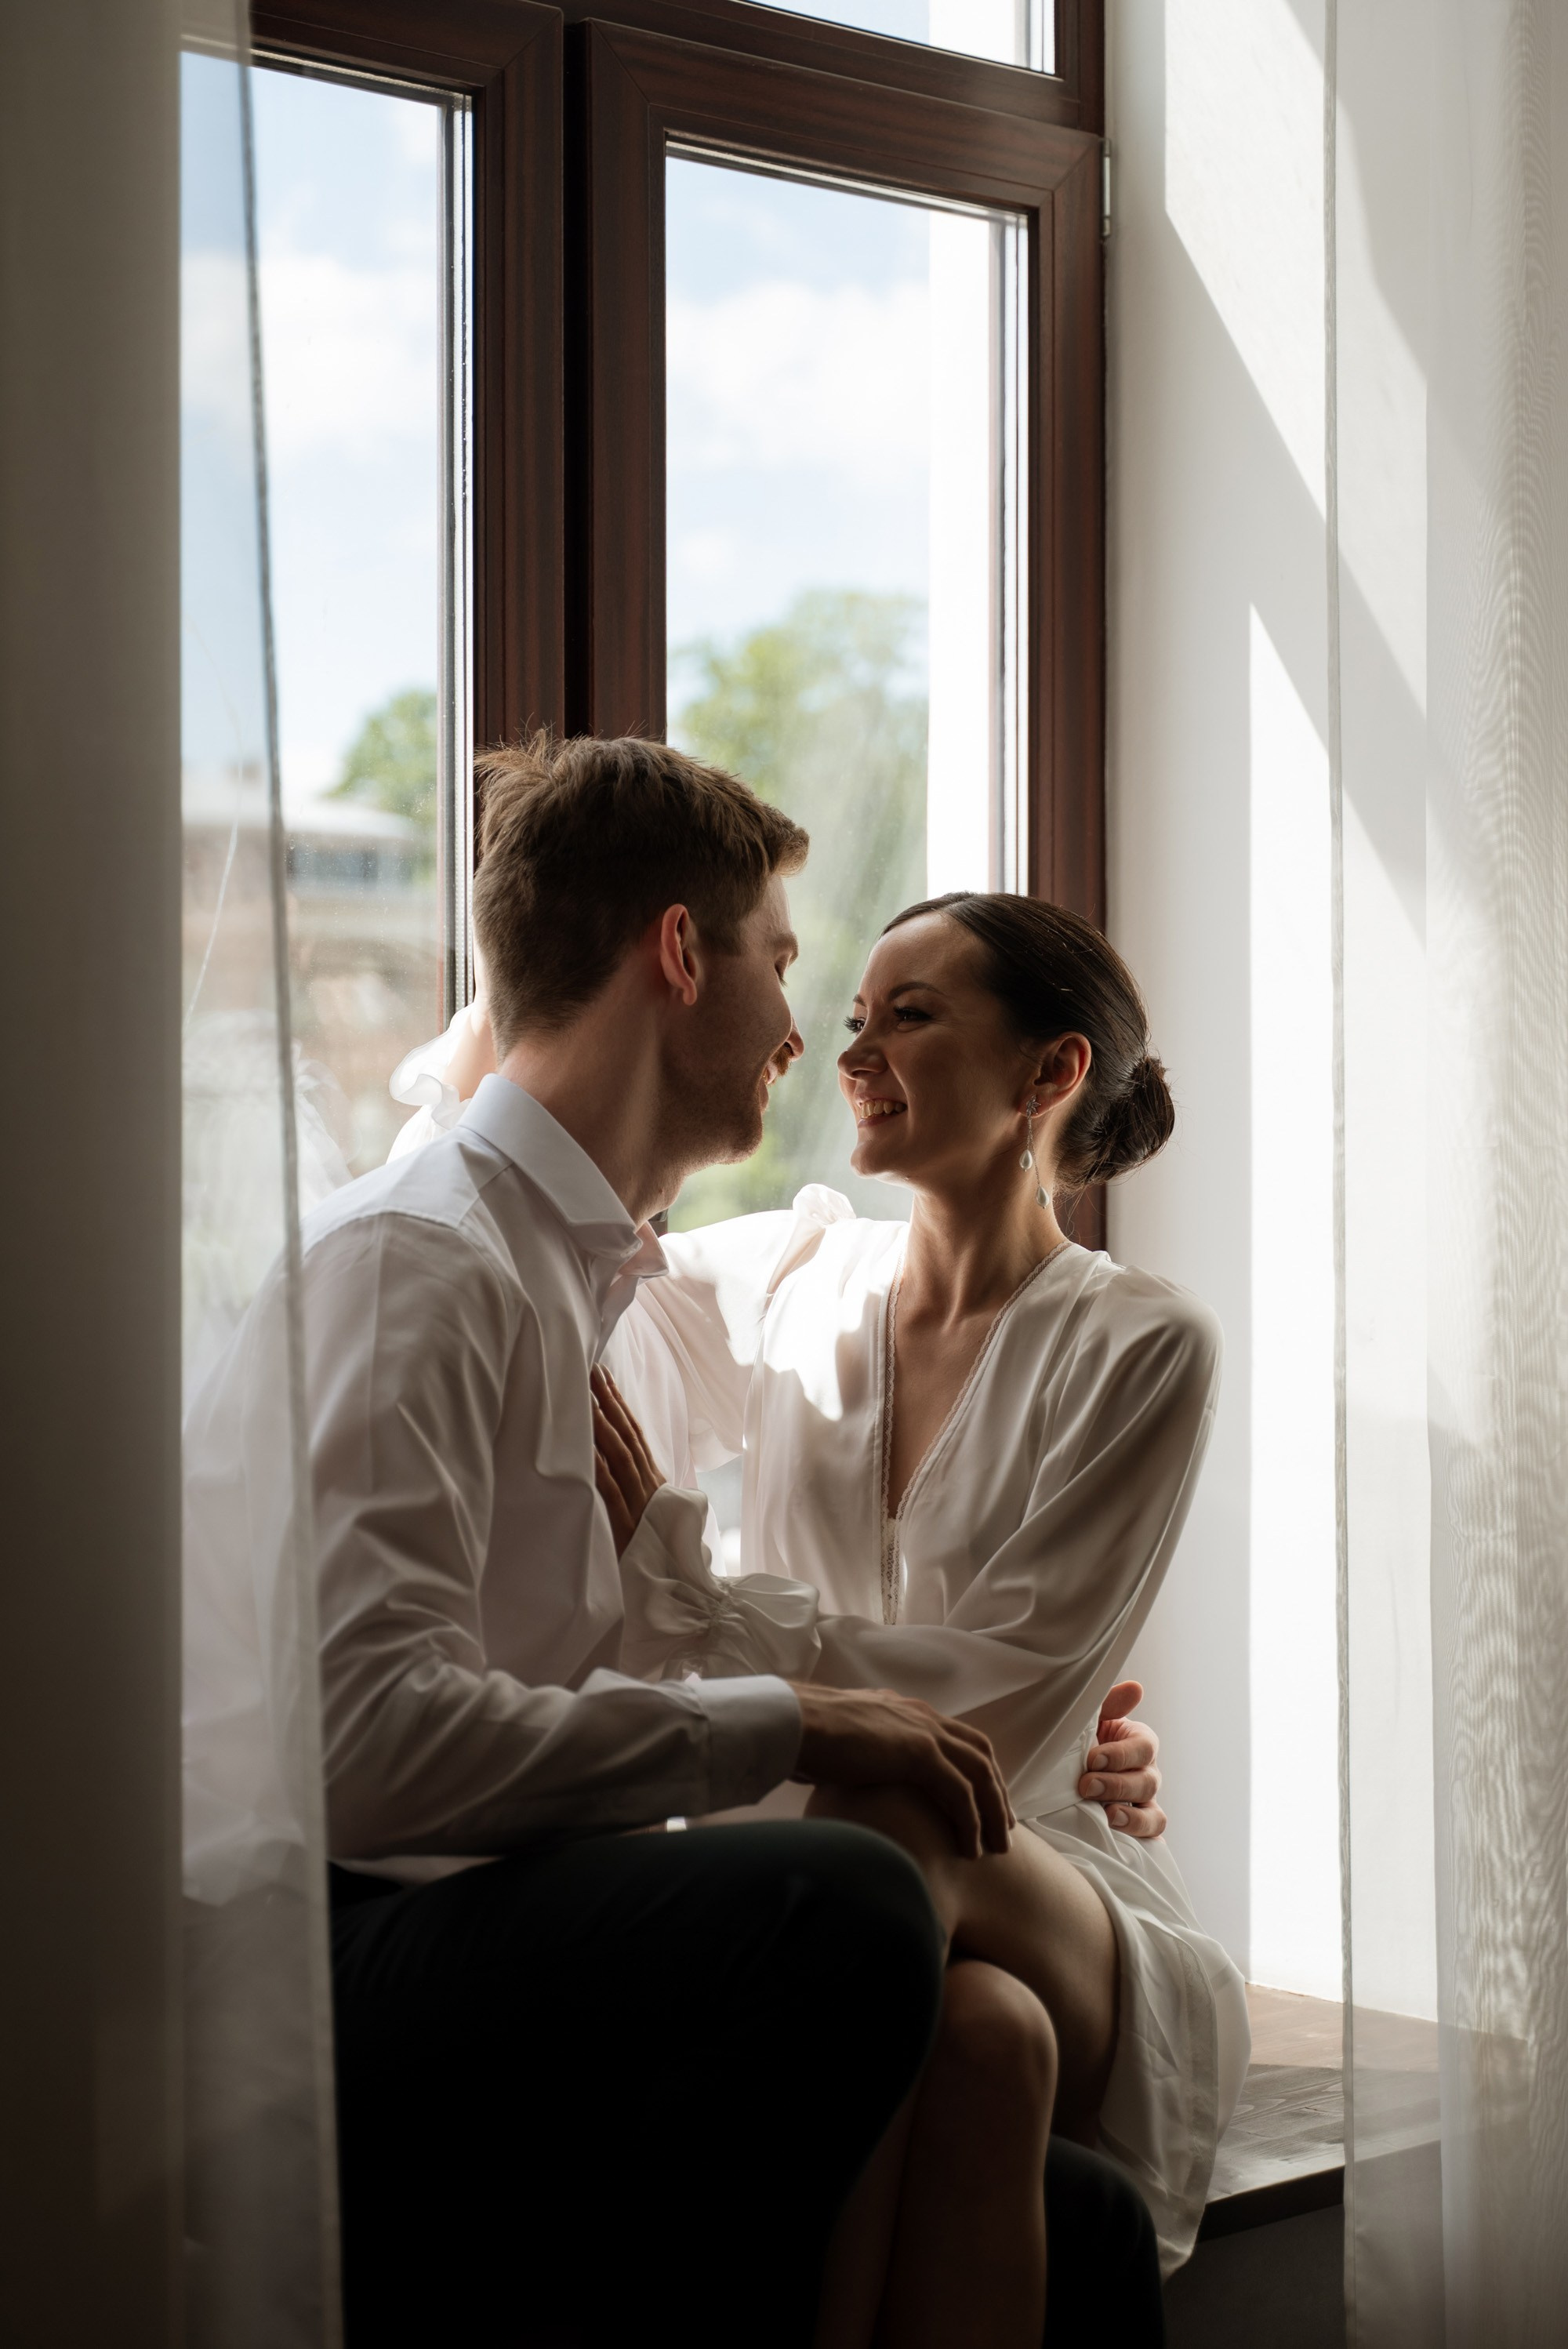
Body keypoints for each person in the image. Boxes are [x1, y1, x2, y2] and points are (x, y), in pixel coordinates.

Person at [183, 735, 1111, 2349]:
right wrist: (804, 1716)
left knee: (1070, 2202)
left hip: (429, 1906)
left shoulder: (576, 1277)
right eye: (778, 960)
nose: (798, 1031)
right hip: (299, 1949)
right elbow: (370, 1741)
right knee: (846, 1911)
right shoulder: (426, 1261)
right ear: (679, 953)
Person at [587, 890, 1250, 2315]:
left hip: (1049, 1876)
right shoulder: (787, 1269)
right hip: (879, 1889)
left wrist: (680, 1580)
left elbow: (984, 1713)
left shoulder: (1144, 1345)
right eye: (851, 1018)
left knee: (896, 1812)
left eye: (912, 1013)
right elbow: (559, 1257)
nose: (855, 1050)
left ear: (1049, 1073)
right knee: (982, 2041)